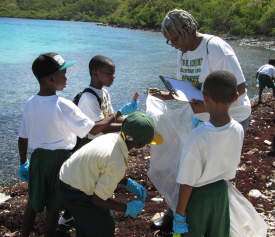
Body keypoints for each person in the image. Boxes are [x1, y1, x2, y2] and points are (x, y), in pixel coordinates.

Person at [149, 9, 251, 232]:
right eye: (170, 42)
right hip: (202, 114)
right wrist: (167, 95)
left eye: (175, 40)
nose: (175, 46)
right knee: (185, 164)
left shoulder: (215, 48)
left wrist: (205, 106)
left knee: (213, 172)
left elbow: (240, 88)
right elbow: (190, 88)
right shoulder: (182, 52)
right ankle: (176, 211)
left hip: (230, 116)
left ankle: (218, 217)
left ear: (186, 30)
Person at [18, 52, 138, 237]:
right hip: (60, 159)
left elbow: (22, 137)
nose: (67, 78)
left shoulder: (29, 103)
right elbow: (94, 129)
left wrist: (23, 162)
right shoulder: (64, 105)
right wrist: (120, 114)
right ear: (51, 77)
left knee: (33, 205)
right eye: (63, 74)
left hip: (38, 159)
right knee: (53, 208)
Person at [55, 112, 163, 236]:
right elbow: (98, 200)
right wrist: (127, 207)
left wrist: (127, 182)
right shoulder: (116, 161)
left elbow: (102, 168)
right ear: (139, 145)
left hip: (66, 178)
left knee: (86, 222)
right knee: (104, 226)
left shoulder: (110, 138)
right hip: (73, 192)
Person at [57, 55, 131, 231]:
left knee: (89, 184)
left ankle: (70, 217)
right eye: (109, 73)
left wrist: (130, 119)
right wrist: (126, 122)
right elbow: (98, 128)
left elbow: (111, 117)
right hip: (89, 145)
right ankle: (67, 219)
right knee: (85, 186)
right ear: (95, 73)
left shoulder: (104, 92)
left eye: (114, 73)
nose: (113, 77)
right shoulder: (88, 98)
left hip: (100, 144)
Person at [173, 70, 244, 236]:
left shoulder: (197, 136)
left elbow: (187, 181)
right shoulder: (238, 128)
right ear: (235, 97)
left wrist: (179, 215)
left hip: (198, 196)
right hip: (221, 192)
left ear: (204, 96)